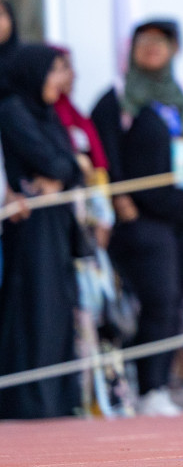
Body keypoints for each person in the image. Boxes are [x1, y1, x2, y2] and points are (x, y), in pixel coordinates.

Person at [92, 19, 183, 417]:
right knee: (157, 300)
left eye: (162, 41)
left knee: (174, 302)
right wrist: (119, 198)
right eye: (144, 41)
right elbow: (103, 152)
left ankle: (160, 382)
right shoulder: (119, 97)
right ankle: (149, 387)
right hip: (142, 217)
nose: (153, 48)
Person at [0, 46, 82, 419]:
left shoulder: (47, 114)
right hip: (28, 225)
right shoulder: (14, 109)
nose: (60, 79)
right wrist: (63, 171)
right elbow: (53, 161)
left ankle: (57, 399)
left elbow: (72, 167)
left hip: (55, 222)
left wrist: (64, 171)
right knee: (34, 307)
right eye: (53, 70)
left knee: (57, 308)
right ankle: (29, 401)